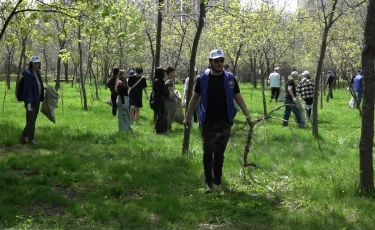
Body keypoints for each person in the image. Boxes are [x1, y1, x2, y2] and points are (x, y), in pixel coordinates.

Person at [183, 49, 252, 193]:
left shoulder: (230, 78)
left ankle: (217, 176)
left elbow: (238, 97)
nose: (220, 63)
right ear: (210, 62)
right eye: (216, 61)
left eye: (221, 60)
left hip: (226, 120)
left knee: (219, 152)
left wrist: (248, 116)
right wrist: (187, 117)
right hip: (208, 120)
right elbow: (194, 98)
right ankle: (209, 181)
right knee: (208, 151)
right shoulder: (202, 79)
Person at [19, 56, 44, 145]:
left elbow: (38, 85)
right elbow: (28, 89)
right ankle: (31, 140)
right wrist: (29, 102)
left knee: (32, 121)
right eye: (35, 63)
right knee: (31, 122)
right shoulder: (28, 74)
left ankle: (22, 137)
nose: (37, 64)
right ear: (31, 63)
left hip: (36, 100)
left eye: (38, 63)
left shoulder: (37, 73)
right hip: (31, 101)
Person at [153, 68, 169, 134]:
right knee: (161, 115)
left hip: (160, 100)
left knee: (161, 115)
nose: (164, 74)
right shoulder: (158, 82)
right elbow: (163, 92)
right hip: (159, 101)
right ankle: (159, 130)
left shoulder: (160, 81)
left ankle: (161, 129)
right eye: (163, 73)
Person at [164, 67, 180, 132]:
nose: (175, 74)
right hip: (169, 101)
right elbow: (171, 93)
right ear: (170, 73)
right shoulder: (169, 81)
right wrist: (178, 97)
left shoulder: (167, 80)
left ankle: (168, 128)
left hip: (167, 100)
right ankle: (167, 128)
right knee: (171, 115)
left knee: (169, 114)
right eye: (173, 72)